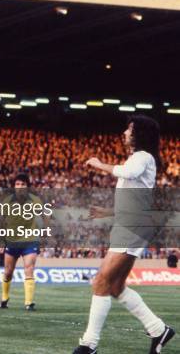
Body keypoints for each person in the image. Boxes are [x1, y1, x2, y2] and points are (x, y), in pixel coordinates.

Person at [74, 116, 175, 354]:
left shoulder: (142, 157)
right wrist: (107, 211)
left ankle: (89, 344)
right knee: (116, 286)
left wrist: (99, 164)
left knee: (101, 281)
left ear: (139, 134)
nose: (124, 132)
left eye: (129, 129)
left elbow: (127, 173)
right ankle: (158, 329)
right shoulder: (139, 158)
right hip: (131, 223)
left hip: (133, 226)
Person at [0, 173, 48, 311]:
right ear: (14, 186)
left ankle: (29, 302)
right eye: (17, 184)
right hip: (11, 240)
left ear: (27, 186)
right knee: (8, 272)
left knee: (29, 268)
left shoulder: (35, 200)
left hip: (30, 240)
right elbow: (1, 221)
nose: (20, 187)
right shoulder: (7, 200)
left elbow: (45, 216)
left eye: (23, 184)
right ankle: (4, 297)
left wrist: (44, 234)